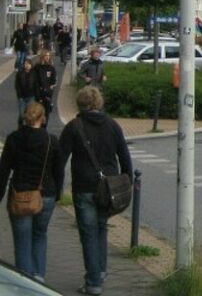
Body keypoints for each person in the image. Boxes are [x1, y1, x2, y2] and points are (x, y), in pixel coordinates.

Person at [59, 87, 132, 296]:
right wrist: (127, 180)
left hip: (84, 186)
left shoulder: (74, 127)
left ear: (80, 104)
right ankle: (100, 271)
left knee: (88, 233)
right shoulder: (112, 125)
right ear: (99, 103)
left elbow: (61, 158)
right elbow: (124, 155)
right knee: (101, 228)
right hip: (109, 187)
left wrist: (58, 187)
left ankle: (93, 281)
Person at [0, 103, 63, 282]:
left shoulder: (14, 139)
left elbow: (3, 171)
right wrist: (57, 193)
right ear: (43, 119)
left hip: (20, 195)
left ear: (25, 117)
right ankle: (39, 278)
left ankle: (25, 283)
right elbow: (59, 171)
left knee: (22, 242)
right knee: (40, 235)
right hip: (46, 194)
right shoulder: (52, 141)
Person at [33, 50, 57, 120]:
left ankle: (44, 127)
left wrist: (51, 87)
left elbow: (54, 79)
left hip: (47, 93)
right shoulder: (37, 67)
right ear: (42, 56)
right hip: (38, 92)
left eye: (49, 56)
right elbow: (35, 80)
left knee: (46, 112)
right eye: (46, 56)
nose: (47, 57)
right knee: (38, 111)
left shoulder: (51, 67)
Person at [15, 59, 36, 125]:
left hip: (31, 97)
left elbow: (36, 85)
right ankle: (20, 127)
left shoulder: (34, 73)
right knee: (21, 114)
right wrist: (19, 96)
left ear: (31, 65)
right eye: (26, 64)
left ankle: (27, 129)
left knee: (29, 115)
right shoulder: (20, 73)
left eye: (28, 64)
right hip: (22, 97)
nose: (27, 65)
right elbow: (17, 85)